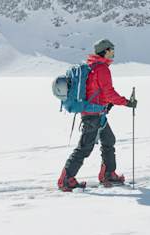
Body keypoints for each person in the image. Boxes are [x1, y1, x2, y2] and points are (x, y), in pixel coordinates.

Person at [58, 39, 136, 191]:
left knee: (109, 140)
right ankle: (66, 179)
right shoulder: (102, 69)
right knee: (85, 148)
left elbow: (97, 92)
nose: (113, 52)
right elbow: (108, 92)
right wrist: (126, 102)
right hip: (93, 116)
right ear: (105, 51)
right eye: (111, 50)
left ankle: (108, 174)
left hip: (96, 113)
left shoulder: (93, 67)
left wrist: (108, 103)